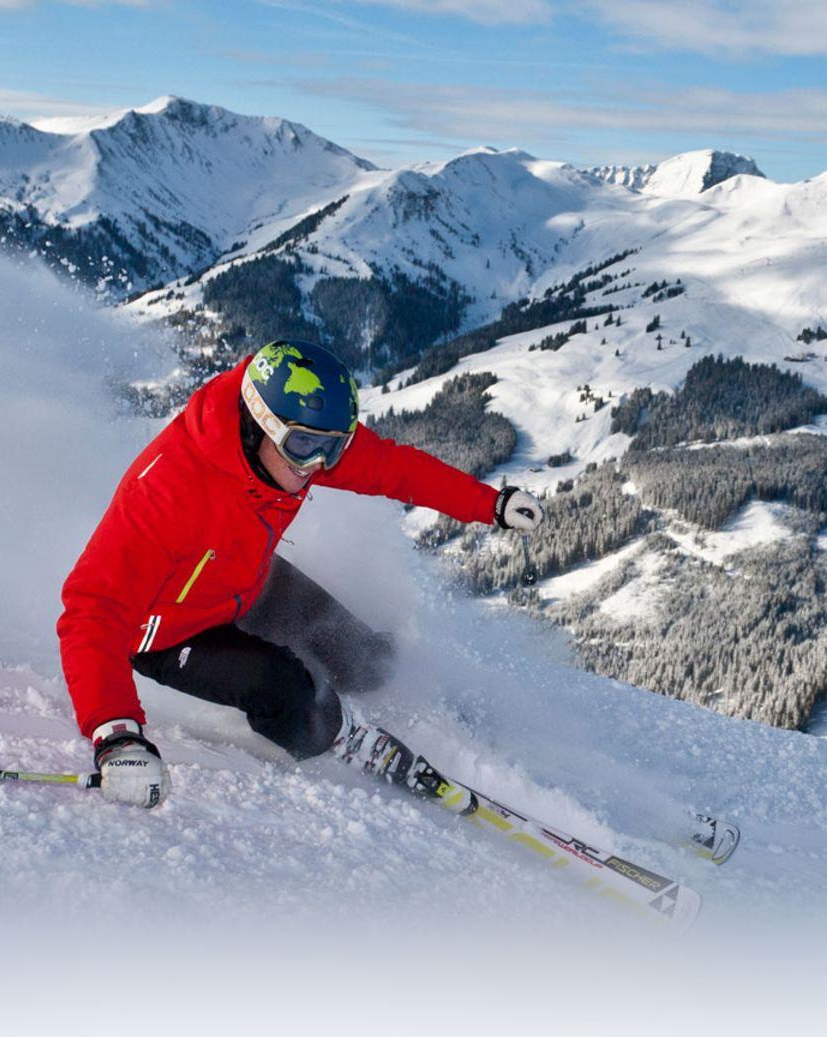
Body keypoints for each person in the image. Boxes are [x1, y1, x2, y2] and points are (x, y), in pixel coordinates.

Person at [57, 340, 543, 810]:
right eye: (305, 447)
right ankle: (337, 742)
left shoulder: (298, 442)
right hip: (165, 632)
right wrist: (117, 736)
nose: (317, 465)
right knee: (287, 690)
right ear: (259, 424)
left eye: (333, 449)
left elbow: (394, 469)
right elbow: (91, 610)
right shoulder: (168, 489)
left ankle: (437, 721)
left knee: (362, 655)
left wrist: (490, 505)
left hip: (242, 584)